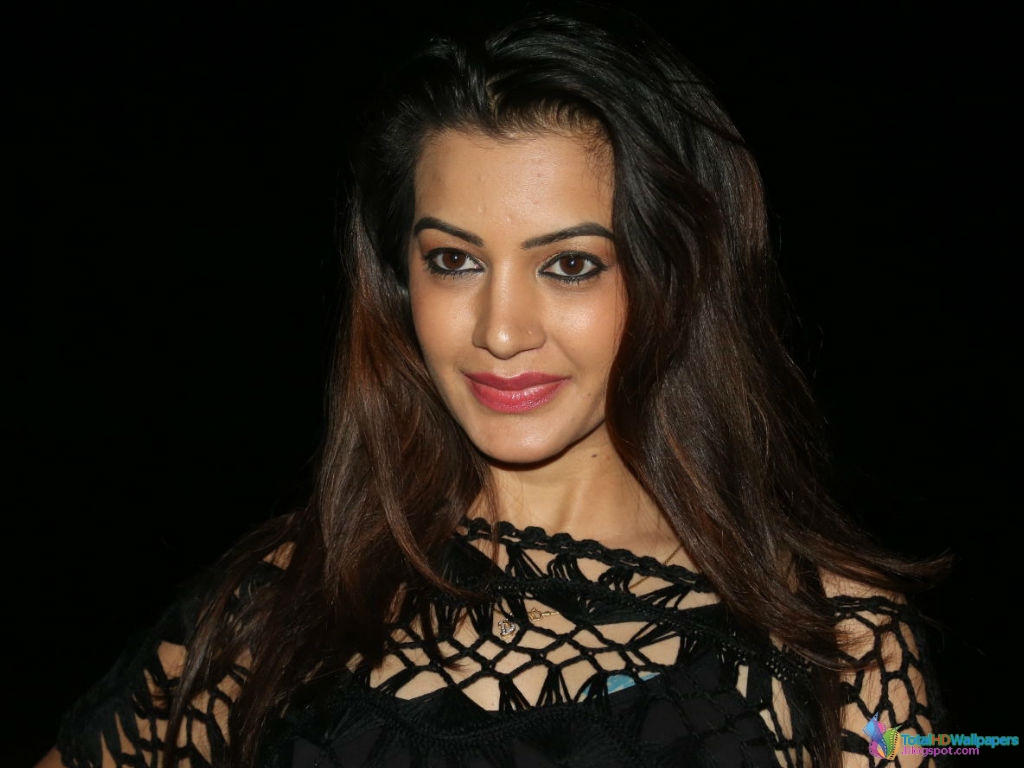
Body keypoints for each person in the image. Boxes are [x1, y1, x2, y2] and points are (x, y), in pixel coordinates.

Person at [35, 3, 950, 766]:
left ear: (677, 278)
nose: (501, 331)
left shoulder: (839, 644)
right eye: (454, 260)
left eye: (570, 266)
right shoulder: (277, 608)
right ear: (399, 280)